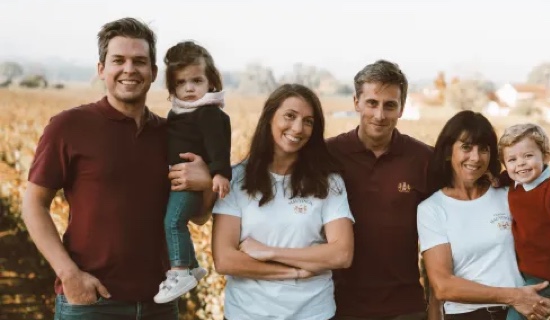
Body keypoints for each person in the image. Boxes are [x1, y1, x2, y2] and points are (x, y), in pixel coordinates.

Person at [21, 17, 214, 320]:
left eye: (139, 61)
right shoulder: (68, 126)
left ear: (153, 73)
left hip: (159, 305)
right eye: (118, 60)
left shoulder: (173, 135)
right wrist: (69, 274)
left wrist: (205, 183)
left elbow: (199, 216)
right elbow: (34, 204)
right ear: (101, 69)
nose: (129, 69)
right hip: (90, 302)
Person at [211, 83, 355, 320]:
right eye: (290, 116)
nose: (298, 128)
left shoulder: (329, 182)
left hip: (313, 314)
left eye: (308, 121)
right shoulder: (236, 179)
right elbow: (225, 260)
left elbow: (341, 254)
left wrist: (268, 252)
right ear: (269, 118)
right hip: (246, 314)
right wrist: (297, 272)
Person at [418, 110, 550, 320]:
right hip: (470, 315)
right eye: (466, 147)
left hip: (524, 312)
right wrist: (512, 296)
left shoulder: (509, 194)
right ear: (449, 151)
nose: (475, 158)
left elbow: (549, 240)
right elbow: (443, 286)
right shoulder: (432, 209)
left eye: (483, 149)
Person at [327, 60, 434, 320]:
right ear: (356, 102)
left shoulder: (424, 159)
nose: (379, 115)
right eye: (372, 103)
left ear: (402, 109)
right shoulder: (327, 155)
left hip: (405, 308)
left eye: (390, 105)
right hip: (338, 306)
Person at [153, 40, 231, 303]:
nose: (188, 88)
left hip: (189, 182)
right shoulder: (183, 112)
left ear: (210, 81)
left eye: (196, 81)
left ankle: (179, 272)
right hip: (181, 180)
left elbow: (218, 148)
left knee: (173, 222)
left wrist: (219, 174)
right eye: (181, 83)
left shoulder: (208, 113)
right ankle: (193, 266)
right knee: (175, 221)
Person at [496, 123, 550, 320]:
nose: (520, 163)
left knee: (515, 317)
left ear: (545, 156)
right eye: (512, 159)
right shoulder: (516, 185)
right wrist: (495, 179)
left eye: (528, 156)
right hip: (527, 274)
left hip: (549, 278)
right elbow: (507, 176)